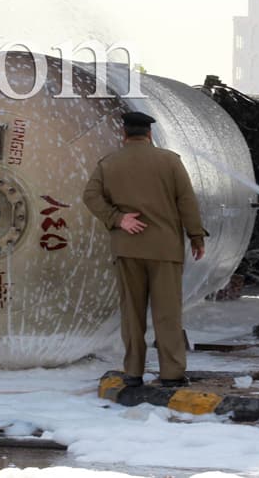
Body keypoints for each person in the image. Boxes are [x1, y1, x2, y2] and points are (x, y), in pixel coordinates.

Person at [83, 111, 207, 387]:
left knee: (132, 314)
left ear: (124, 134)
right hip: (165, 250)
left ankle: (133, 371)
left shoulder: (109, 163)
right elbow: (186, 201)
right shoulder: (170, 161)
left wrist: (118, 218)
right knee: (167, 313)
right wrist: (196, 237)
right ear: (149, 134)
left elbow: (90, 196)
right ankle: (171, 373)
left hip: (127, 248)